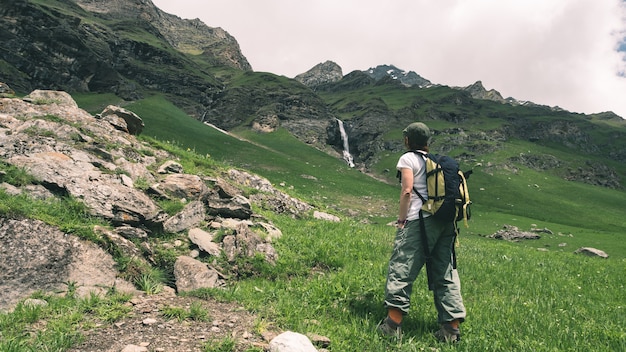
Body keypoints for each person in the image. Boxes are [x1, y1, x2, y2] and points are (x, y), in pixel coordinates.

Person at [378, 122, 466, 342]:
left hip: (420, 220)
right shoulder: (435, 161)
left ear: (407, 140)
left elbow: (407, 190)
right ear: (427, 142)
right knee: (445, 271)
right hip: (446, 222)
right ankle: (451, 330)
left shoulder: (408, 158)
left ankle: (392, 324)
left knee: (402, 265)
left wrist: (401, 220)